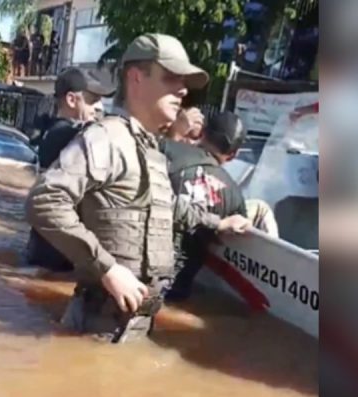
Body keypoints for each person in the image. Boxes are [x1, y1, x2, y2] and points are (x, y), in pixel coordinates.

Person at [25, 33, 251, 343]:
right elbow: (45, 201)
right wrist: (108, 270)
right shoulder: (107, 138)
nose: (183, 89)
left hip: (131, 328)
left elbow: (168, 206)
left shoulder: (150, 149)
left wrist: (220, 222)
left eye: (184, 81)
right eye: (171, 77)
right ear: (136, 78)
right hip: (97, 328)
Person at [162, 112, 278, 300]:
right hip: (177, 288)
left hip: (134, 277)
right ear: (233, 155)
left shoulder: (165, 149)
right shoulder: (234, 195)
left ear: (202, 134)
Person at [26, 67, 115, 272]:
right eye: (92, 100)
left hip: (48, 244)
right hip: (55, 252)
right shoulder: (66, 133)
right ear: (72, 100)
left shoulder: (54, 130)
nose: (99, 107)